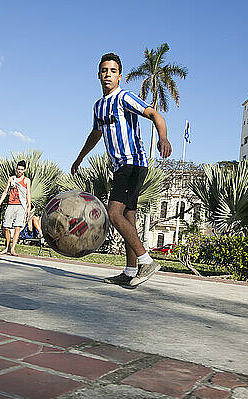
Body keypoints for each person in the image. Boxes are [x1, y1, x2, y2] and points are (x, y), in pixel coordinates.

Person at [71, 53, 172, 287]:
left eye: (113, 71)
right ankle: (129, 271)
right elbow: (95, 134)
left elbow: (154, 114)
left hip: (133, 163)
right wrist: (79, 158)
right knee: (128, 219)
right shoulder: (99, 106)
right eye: (104, 70)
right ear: (98, 75)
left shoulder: (124, 97)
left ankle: (146, 261)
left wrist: (163, 138)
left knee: (114, 214)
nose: (108, 74)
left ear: (120, 75)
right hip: (120, 167)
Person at [0, 161, 32, 255]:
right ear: (16, 169)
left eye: (21, 169)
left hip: (21, 205)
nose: (19, 171)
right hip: (11, 204)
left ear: (24, 170)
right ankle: (7, 247)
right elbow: (5, 192)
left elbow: (28, 194)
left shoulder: (26, 180)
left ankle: (13, 249)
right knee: (6, 226)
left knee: (17, 227)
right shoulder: (11, 179)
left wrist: (29, 207)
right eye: (18, 169)